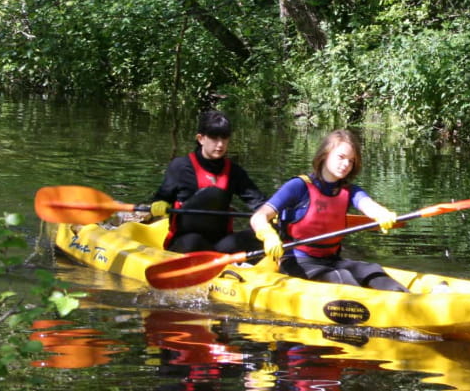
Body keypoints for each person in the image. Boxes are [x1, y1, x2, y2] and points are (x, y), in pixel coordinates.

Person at [248, 129, 407, 292]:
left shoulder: (349, 191)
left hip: (331, 260)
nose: (346, 164)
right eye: (341, 157)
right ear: (325, 154)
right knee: (340, 276)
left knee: (372, 270)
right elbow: (259, 216)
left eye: (351, 161)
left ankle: (406, 300)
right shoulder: (298, 186)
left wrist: (382, 214)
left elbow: (369, 205)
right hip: (296, 261)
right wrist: (267, 235)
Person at [152, 110, 266, 253]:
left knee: (258, 236)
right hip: (185, 242)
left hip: (219, 245)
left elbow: (258, 202)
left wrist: (273, 215)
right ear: (201, 138)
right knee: (195, 238)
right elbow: (162, 196)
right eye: (214, 138)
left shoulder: (234, 172)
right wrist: (160, 203)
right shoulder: (180, 166)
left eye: (224, 138)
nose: (220, 145)